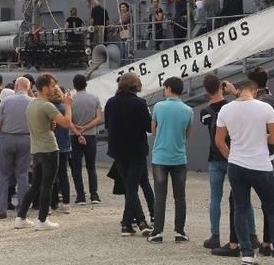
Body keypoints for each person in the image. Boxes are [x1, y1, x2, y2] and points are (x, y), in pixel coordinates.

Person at [215, 81, 274, 264]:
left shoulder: (225, 110)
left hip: (236, 165)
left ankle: (247, 253)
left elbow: (219, 141)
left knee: (240, 209)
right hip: (260, 165)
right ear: (255, 91)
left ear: (239, 91)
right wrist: (262, 137)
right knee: (272, 209)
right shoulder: (265, 108)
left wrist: (231, 156)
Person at [14, 74, 84, 231]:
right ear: (45, 88)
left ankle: (21, 217)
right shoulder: (47, 106)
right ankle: (42, 220)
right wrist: (68, 105)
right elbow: (66, 123)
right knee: (47, 185)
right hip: (49, 149)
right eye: (52, 86)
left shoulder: (32, 104)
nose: (54, 89)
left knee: (36, 185)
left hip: (36, 149)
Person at [200, 74, 257, 253]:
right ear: (221, 87)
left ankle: (215, 235)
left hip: (214, 157)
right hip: (234, 155)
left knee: (215, 197)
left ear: (206, 90)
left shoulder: (205, 112)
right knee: (243, 197)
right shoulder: (232, 107)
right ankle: (252, 234)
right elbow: (246, 103)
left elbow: (208, 124)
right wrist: (233, 92)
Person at [105, 73, 154, 236]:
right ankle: (134, 223)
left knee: (129, 186)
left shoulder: (110, 102)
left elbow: (107, 125)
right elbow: (148, 127)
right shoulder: (140, 103)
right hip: (136, 150)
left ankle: (133, 222)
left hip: (117, 149)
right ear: (136, 85)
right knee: (132, 187)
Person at [147, 77, 193, 244]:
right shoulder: (188, 110)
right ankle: (179, 232)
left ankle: (157, 232)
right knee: (180, 196)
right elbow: (187, 134)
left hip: (160, 156)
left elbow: (153, 130)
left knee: (160, 196)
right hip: (179, 157)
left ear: (169, 88)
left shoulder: (159, 107)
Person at [248, 67, 274, 256]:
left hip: (247, 156)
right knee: (269, 202)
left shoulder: (248, 102)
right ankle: (267, 242)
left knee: (238, 202)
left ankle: (241, 241)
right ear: (267, 81)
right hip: (268, 156)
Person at [0, 77, 33, 219]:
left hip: (6, 139)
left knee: (3, 175)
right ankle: (22, 208)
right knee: (23, 175)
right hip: (26, 139)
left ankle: (1, 209)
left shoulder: (6, 101)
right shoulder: (32, 102)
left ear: (16, 86)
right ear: (28, 87)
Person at [69, 74, 102, 205]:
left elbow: (68, 119)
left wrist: (78, 130)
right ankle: (94, 195)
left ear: (74, 85)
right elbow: (98, 118)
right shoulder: (95, 98)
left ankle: (80, 196)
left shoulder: (70, 99)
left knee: (76, 167)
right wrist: (86, 127)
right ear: (86, 84)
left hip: (74, 135)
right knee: (91, 166)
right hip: (90, 135)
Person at [50, 98, 73, 214]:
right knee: (63, 174)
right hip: (64, 144)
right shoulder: (65, 109)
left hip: (51, 145)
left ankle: (53, 202)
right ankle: (66, 203)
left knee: (51, 175)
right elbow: (70, 124)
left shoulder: (48, 108)